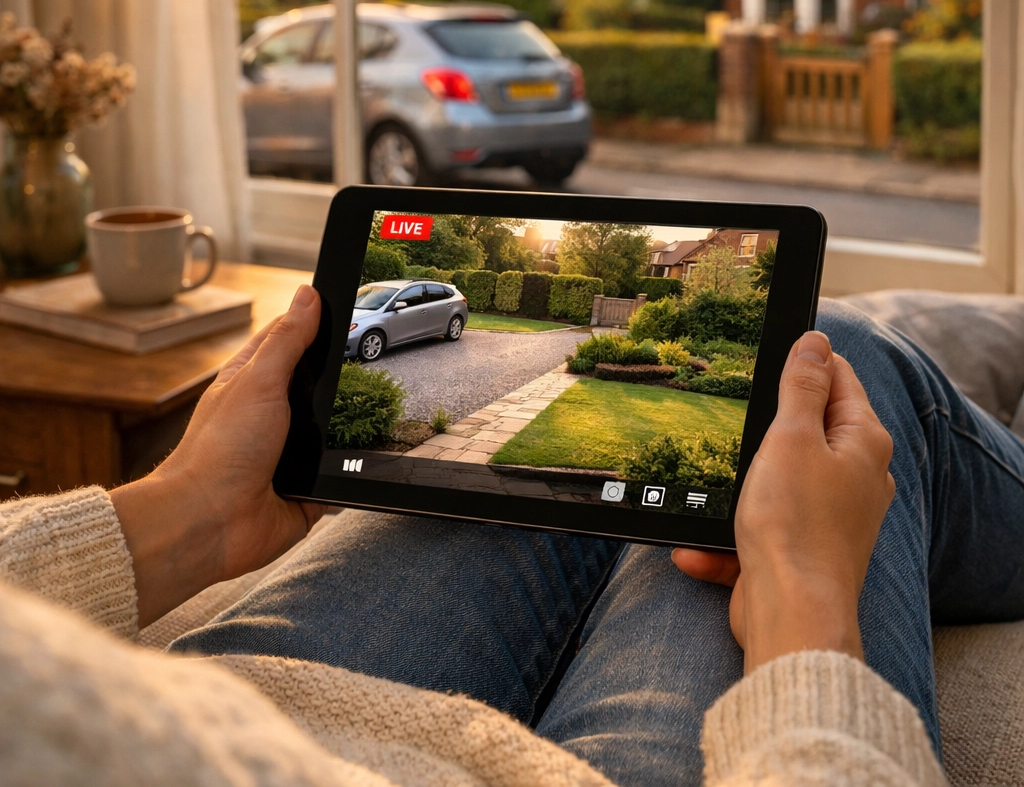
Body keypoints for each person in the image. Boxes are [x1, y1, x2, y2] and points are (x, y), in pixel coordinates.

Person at [3, 282, 1022, 786]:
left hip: (213, 721)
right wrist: (804, 602)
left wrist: (184, 509)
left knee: (753, 394)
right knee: (827, 347)